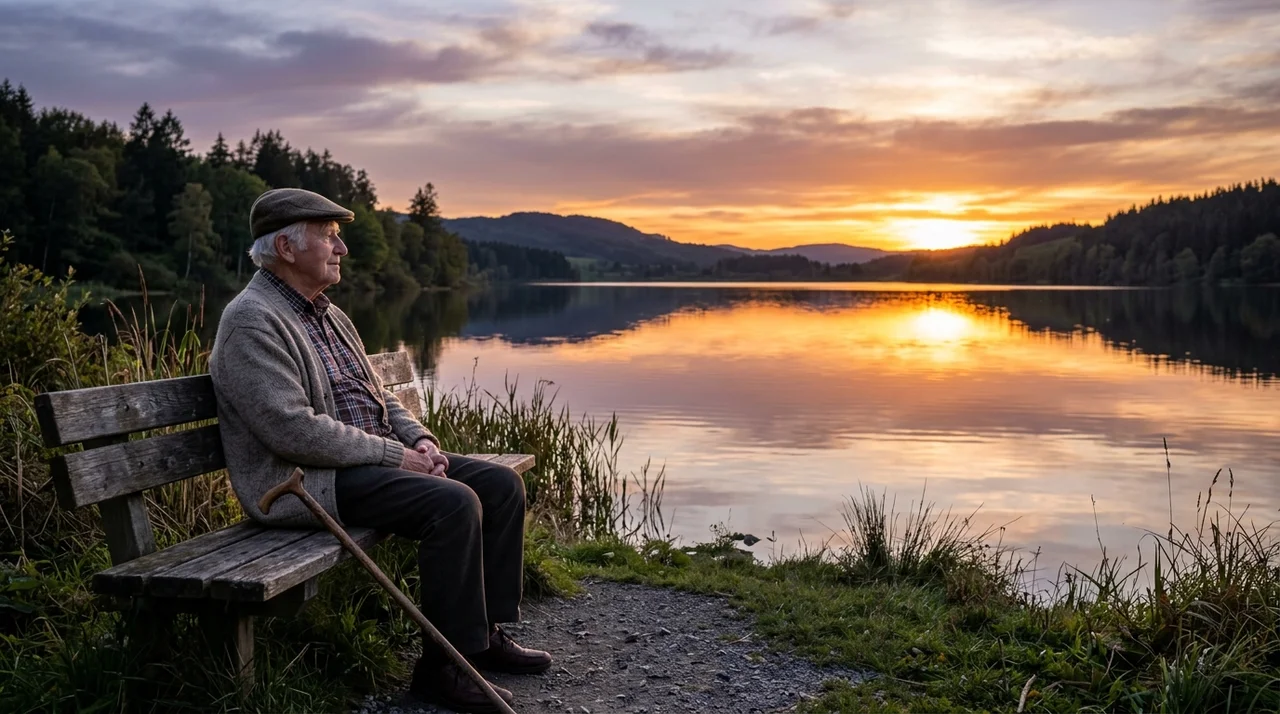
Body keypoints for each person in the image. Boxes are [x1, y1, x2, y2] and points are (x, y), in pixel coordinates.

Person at [209, 188, 550, 713]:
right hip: (299, 484)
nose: (342, 249)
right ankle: (442, 668)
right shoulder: (252, 320)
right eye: (329, 237)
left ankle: (480, 639)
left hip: (362, 463)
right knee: (454, 503)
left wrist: (419, 438)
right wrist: (397, 458)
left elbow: (379, 395)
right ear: (286, 247)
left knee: (501, 486)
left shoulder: (329, 315)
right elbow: (290, 430)